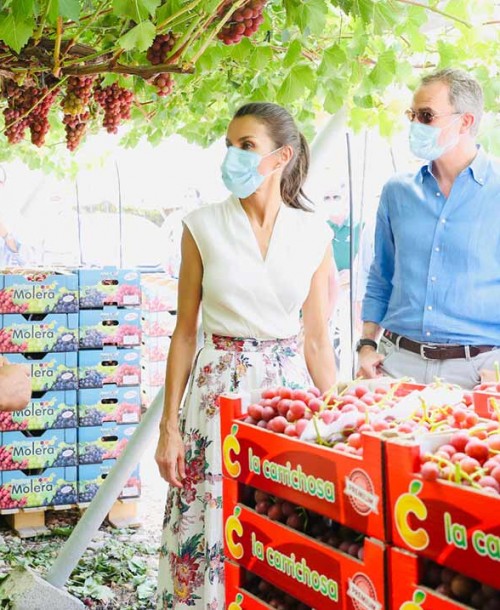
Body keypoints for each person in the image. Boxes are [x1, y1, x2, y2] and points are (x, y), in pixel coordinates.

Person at [155, 102, 336, 609]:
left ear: (282, 157)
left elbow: (318, 339)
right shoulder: (202, 226)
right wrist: (169, 426)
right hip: (214, 390)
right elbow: (184, 333)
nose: (232, 156)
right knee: (205, 524)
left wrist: (341, 414)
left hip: (284, 396)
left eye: (246, 146)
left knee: (277, 520)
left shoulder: (314, 234)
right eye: (229, 146)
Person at [357, 68, 500, 389]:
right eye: (412, 115)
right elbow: (381, 277)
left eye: (426, 116)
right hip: (396, 365)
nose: (414, 125)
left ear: (465, 122)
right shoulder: (397, 192)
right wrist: (366, 346)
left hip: (480, 372)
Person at [324, 183, 362, 378]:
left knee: (351, 344)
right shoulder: (321, 230)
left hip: (352, 297)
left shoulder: (359, 228)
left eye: (336, 197)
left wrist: (352, 275)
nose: (332, 202)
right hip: (327, 296)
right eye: (327, 198)